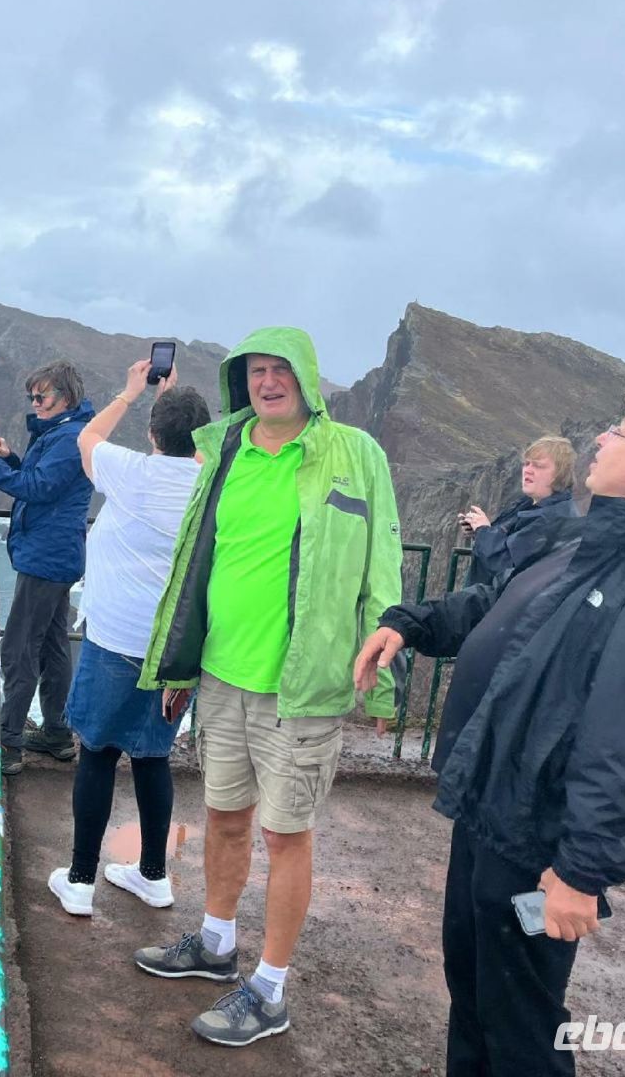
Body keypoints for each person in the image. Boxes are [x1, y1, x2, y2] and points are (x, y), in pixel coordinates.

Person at [354, 395, 625, 1077]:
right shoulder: (589, 540)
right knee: (472, 987)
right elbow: (495, 602)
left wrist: (582, 871)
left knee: (522, 1022)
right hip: (487, 810)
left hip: (539, 841)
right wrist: (410, 622)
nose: (600, 441)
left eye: (619, 434)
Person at [131, 328, 404, 1048]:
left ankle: (270, 990)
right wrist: (179, 665)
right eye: (256, 370)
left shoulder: (356, 456)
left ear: (307, 378)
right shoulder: (224, 448)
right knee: (223, 817)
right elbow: (197, 558)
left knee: (286, 835)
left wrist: (380, 685)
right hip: (221, 678)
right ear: (240, 380)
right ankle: (216, 945)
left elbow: (382, 571)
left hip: (301, 689)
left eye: (282, 369)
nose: (268, 381)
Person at [44, 358, 212, 917]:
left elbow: (87, 437)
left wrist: (131, 391)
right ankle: (153, 876)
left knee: (96, 754)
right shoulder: (212, 487)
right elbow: (205, 453)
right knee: (151, 758)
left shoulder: (132, 471)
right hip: (177, 652)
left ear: (151, 435)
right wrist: (173, 399)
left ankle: (81, 882)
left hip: (115, 642)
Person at [0, 360, 95, 776]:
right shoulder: (65, 433)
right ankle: (57, 734)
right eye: (33, 397)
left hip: (46, 558)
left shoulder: (70, 437)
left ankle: (7, 746)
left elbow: (38, 489)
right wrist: (11, 458)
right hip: (56, 555)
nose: (35, 404)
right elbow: (44, 480)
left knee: (18, 647)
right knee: (53, 644)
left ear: (66, 398)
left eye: (41, 397)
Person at [459, 436, 578, 588]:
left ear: (560, 473)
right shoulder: (528, 504)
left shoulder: (552, 519)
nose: (527, 470)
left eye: (538, 466)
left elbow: (503, 564)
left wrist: (484, 531)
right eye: (526, 464)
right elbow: (504, 543)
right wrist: (477, 529)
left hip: (497, 606)